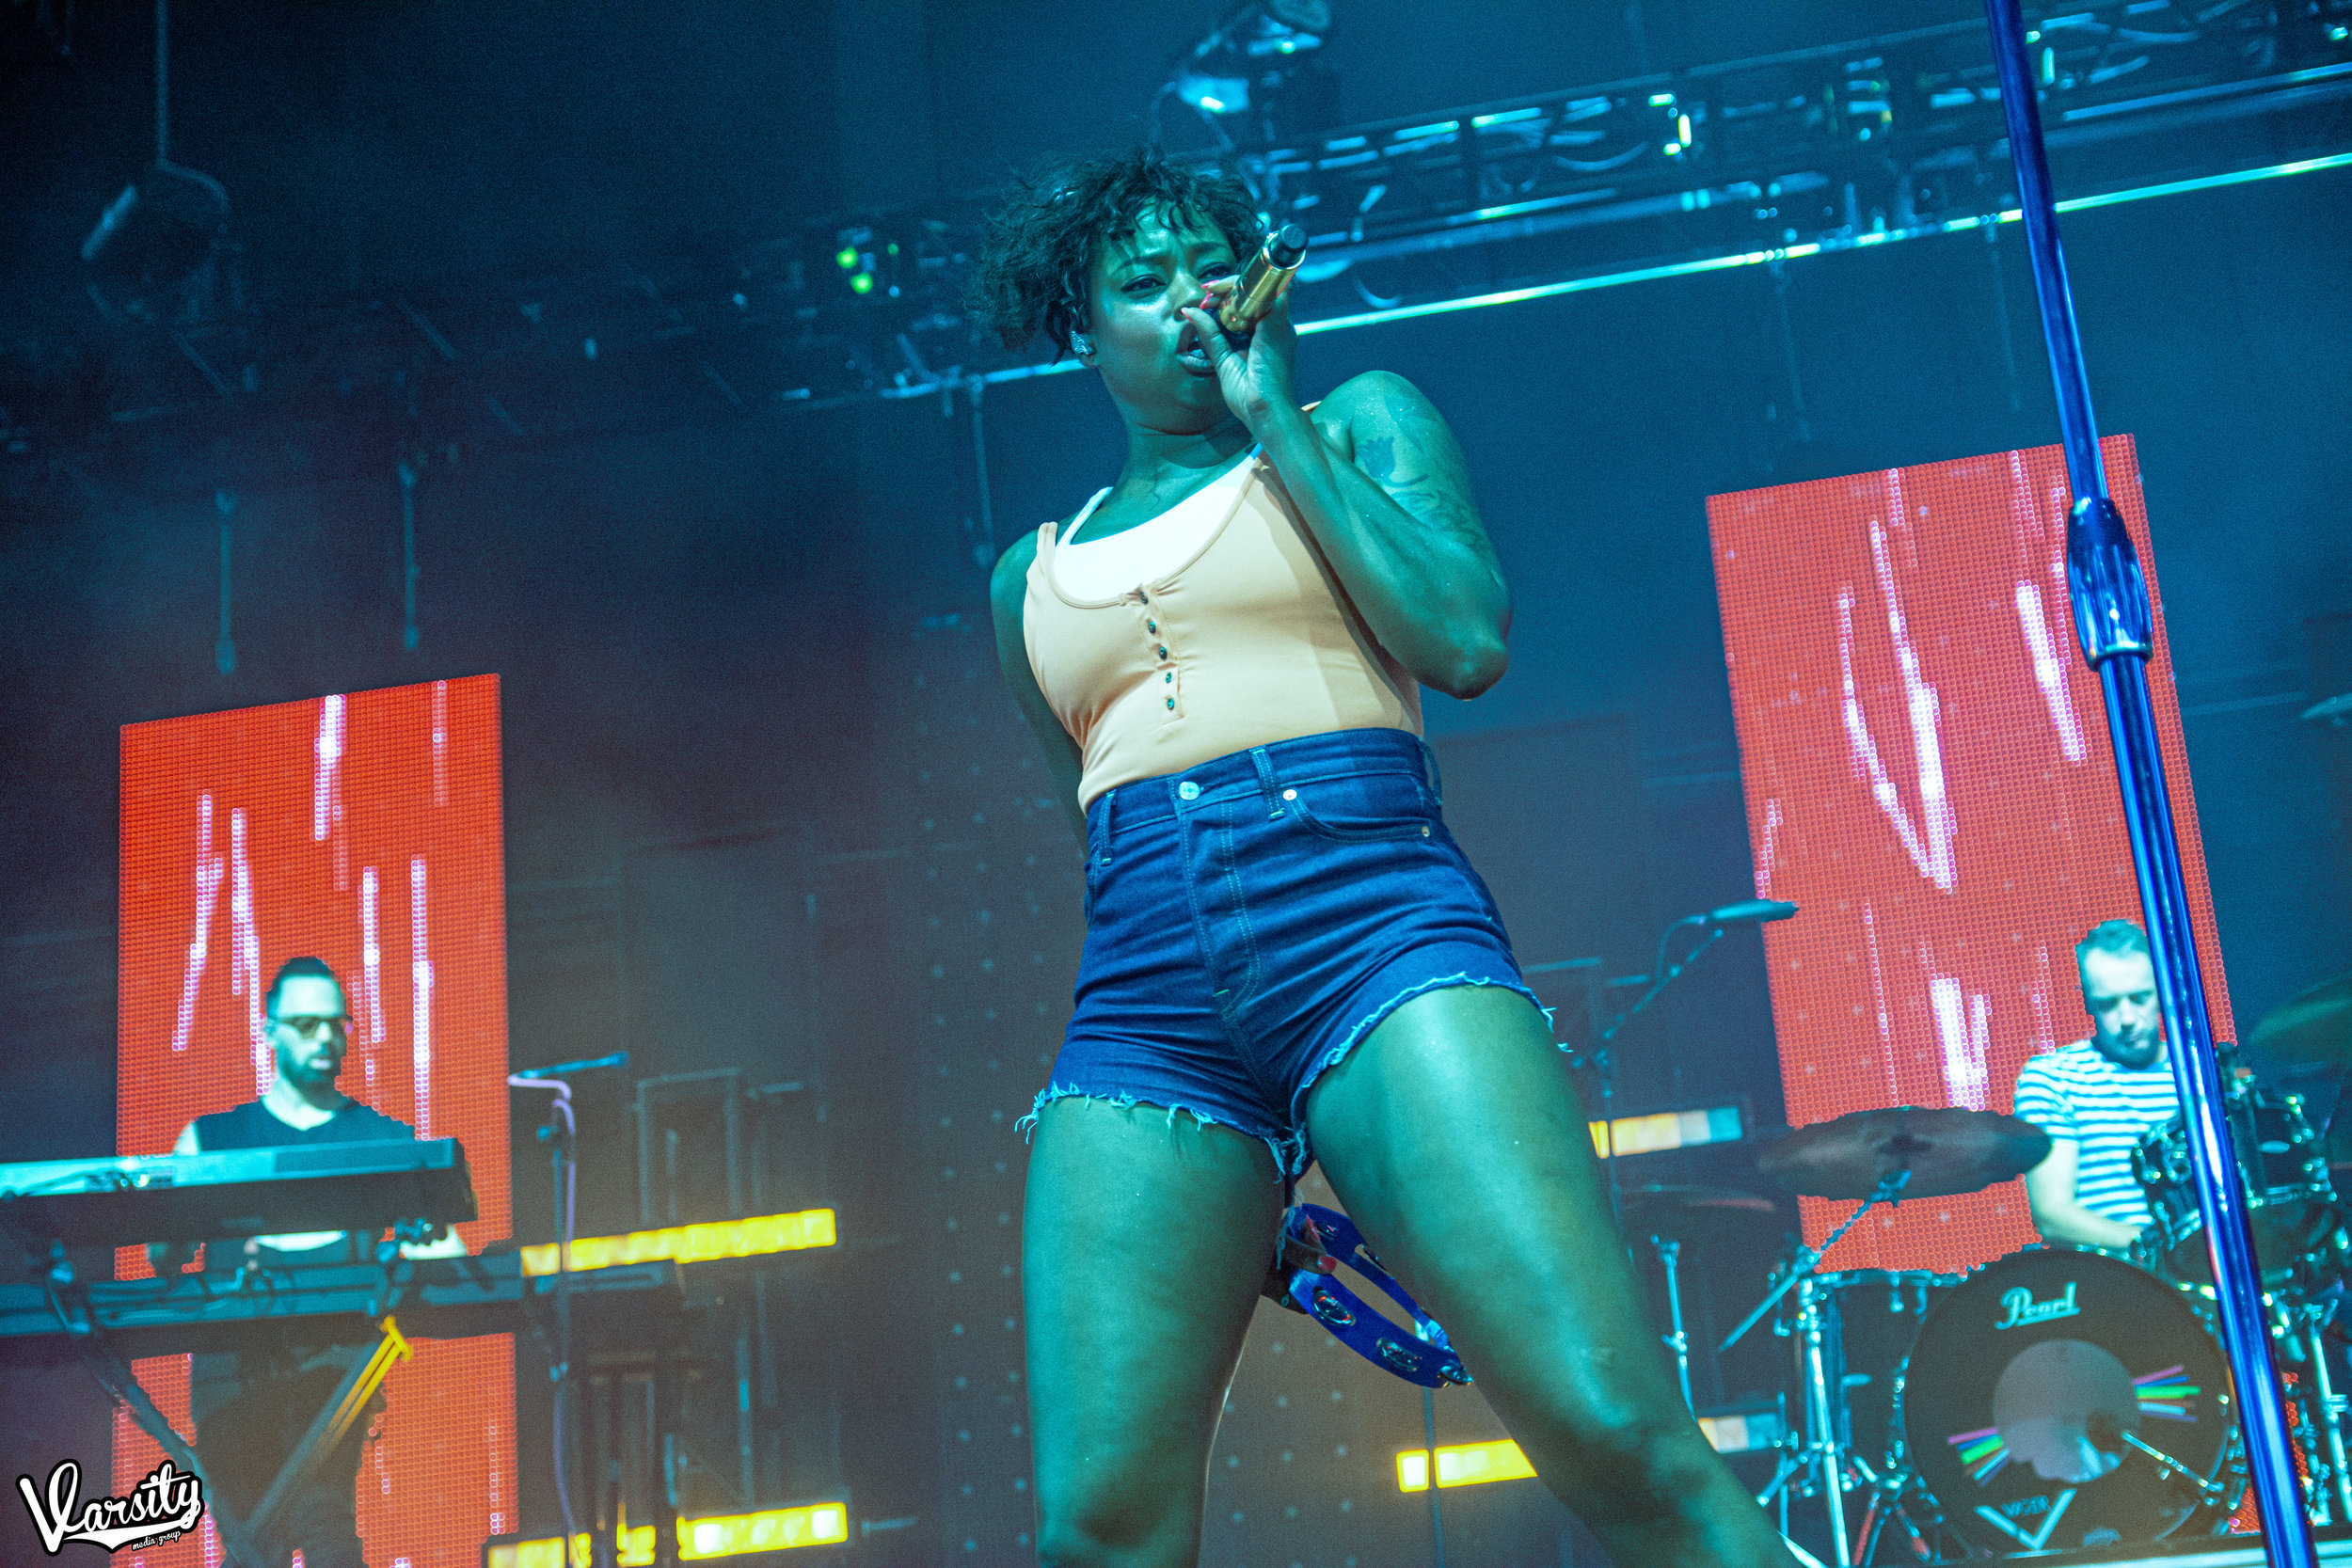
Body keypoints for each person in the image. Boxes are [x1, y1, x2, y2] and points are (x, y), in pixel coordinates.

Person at [977, 148, 1794, 1568]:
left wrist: (1275, 423)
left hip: (1367, 920)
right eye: (1144, 282)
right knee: (1097, 1531)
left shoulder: (1358, 421)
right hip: (1148, 994)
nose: (1190, 301)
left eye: (1212, 267)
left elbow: (1464, 639)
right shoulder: (1026, 578)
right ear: (1080, 327)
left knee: (1610, 1427)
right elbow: (1092, 844)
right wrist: (1227, 1198)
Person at [145, 956, 464, 1568]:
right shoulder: (211, 1140)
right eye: (306, 1024)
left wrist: (436, 1242)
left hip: (334, 1376)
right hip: (233, 1380)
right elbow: (164, 1255)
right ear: (269, 1031)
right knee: (254, 1540)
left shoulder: (381, 1139)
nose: (325, 1038)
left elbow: (445, 1251)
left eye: (336, 1023)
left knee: (323, 1528)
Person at [2016, 919, 2176, 1252]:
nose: (2127, 1018)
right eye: (2108, 1003)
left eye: (2140, 998)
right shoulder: (2054, 1077)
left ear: (2162, 991)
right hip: (2118, 1275)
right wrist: (2163, 1249)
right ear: (2088, 1002)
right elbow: (2051, 1214)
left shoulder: (2199, 1073)